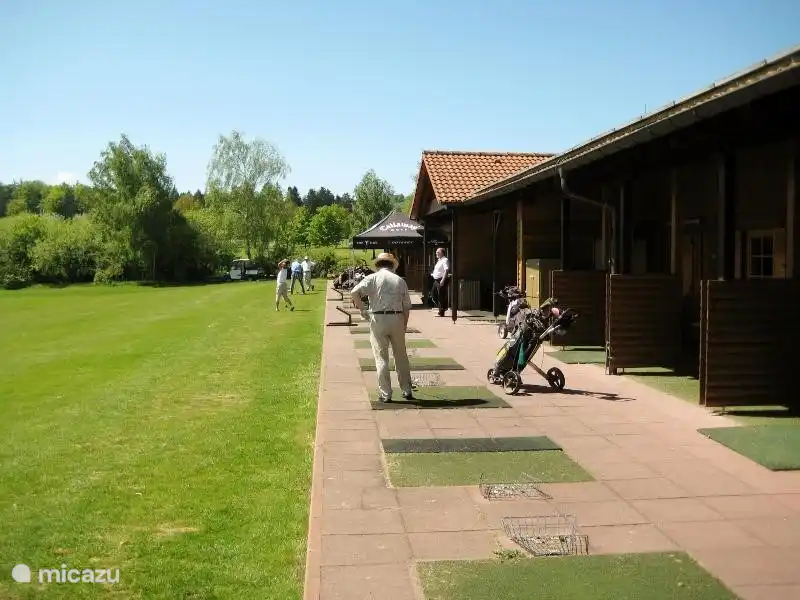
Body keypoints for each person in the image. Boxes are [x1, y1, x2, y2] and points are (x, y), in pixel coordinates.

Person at [351, 252, 414, 403]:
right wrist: (404, 324)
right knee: (401, 356)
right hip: (397, 317)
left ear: (378, 265)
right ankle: (406, 389)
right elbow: (407, 306)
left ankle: (386, 393)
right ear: (392, 265)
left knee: (381, 358)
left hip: (378, 318)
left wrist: (362, 310)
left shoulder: (372, 278)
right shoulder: (399, 280)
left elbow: (354, 292)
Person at [430, 247, 450, 317]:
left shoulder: (445, 260)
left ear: (442, 253)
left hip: (441, 279)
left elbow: (446, 270)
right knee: (433, 294)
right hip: (436, 280)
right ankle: (443, 308)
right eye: (436, 252)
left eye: (438, 252)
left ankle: (442, 311)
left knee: (441, 296)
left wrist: (443, 280)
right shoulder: (439, 260)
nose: (436, 253)